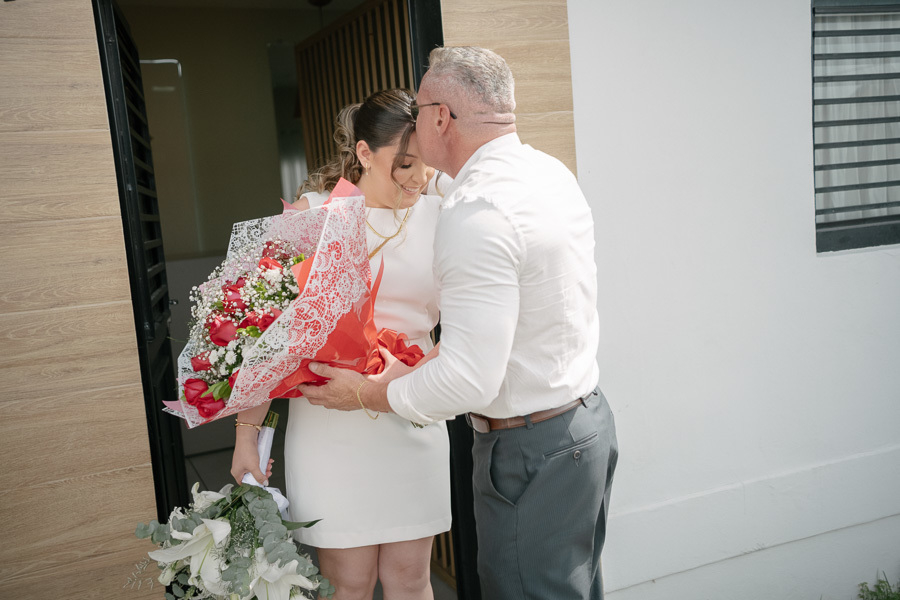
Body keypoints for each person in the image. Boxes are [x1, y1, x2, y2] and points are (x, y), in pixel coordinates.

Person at [299, 47, 619, 600]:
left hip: (524, 445)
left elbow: (468, 378)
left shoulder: (471, 211)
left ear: (440, 117)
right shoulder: (547, 173)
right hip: (582, 427)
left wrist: (368, 395)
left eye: (421, 113)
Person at [230, 88, 451, 600]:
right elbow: (268, 335)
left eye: (426, 165)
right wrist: (247, 435)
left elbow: (468, 329)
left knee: (411, 579)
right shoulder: (313, 215)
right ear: (364, 154)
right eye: (405, 164)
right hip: (329, 424)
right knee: (348, 584)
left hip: (409, 412)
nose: (418, 179)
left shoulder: (444, 215)